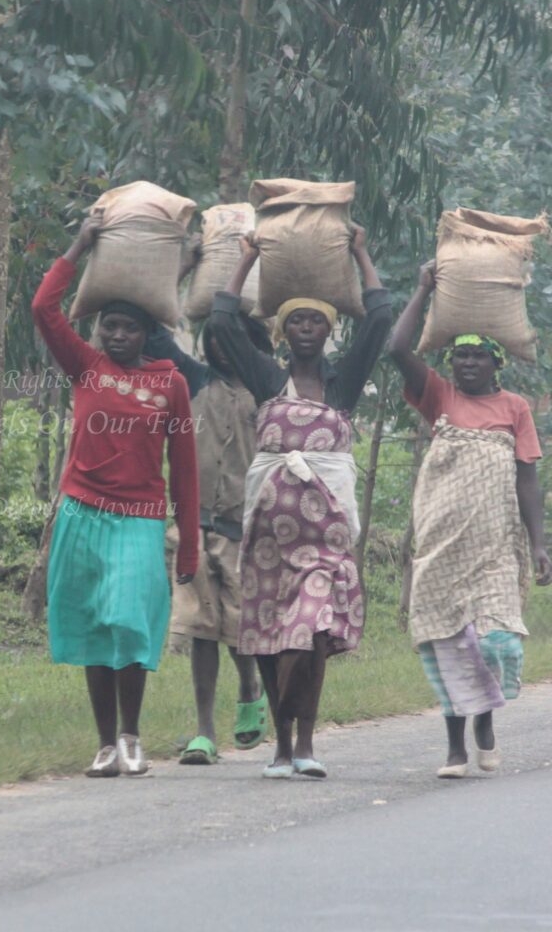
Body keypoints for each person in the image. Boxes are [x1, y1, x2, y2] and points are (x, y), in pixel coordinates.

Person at [208, 226, 392, 778]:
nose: (306, 328)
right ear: (284, 333)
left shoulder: (343, 385)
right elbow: (220, 321)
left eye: (315, 321)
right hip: (268, 533)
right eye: (296, 322)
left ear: (328, 331)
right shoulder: (268, 378)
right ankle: (284, 748)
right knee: (267, 631)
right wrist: (246, 260)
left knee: (311, 627)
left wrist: (361, 251)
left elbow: (380, 319)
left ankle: (305, 740)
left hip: (325, 539)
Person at [31, 211, 200, 778]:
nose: (118, 335)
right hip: (82, 512)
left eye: (129, 327)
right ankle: (105, 744)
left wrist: (190, 544)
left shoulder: (169, 384)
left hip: (139, 519)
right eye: (109, 326)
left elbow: (185, 469)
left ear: (146, 333)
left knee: (129, 621)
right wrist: (79, 243)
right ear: (98, 331)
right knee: (93, 628)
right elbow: (43, 309)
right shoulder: (85, 367)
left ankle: (132, 735)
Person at [388, 261, 552, 778]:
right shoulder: (439, 395)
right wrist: (421, 290)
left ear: (496, 363)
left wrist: (539, 543)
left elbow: (528, 479)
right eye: (460, 355)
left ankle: (485, 718)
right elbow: (395, 350)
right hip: (442, 543)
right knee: (449, 643)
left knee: (495, 641)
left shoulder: (515, 407)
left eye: (479, 356)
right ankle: (457, 746)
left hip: (498, 545)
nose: (468, 364)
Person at [145, 248, 269, 764]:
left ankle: (250, 692)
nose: (220, 350)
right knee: (201, 629)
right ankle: (203, 731)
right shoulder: (193, 381)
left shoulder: (267, 388)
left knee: (239, 631)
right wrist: (183, 267)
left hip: (245, 530)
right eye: (212, 342)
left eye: (230, 341)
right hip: (194, 527)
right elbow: (154, 328)